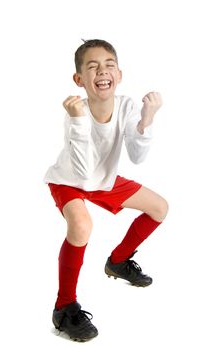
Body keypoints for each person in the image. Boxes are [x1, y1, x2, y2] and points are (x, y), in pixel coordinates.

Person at [44, 39, 168, 342]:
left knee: (159, 208)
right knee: (82, 226)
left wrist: (147, 119)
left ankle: (118, 261)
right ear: (79, 80)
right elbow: (83, 172)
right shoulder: (77, 112)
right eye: (92, 66)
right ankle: (64, 307)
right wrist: (76, 121)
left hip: (104, 179)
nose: (102, 71)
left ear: (119, 74)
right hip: (70, 179)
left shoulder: (126, 105)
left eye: (109, 65)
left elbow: (137, 157)